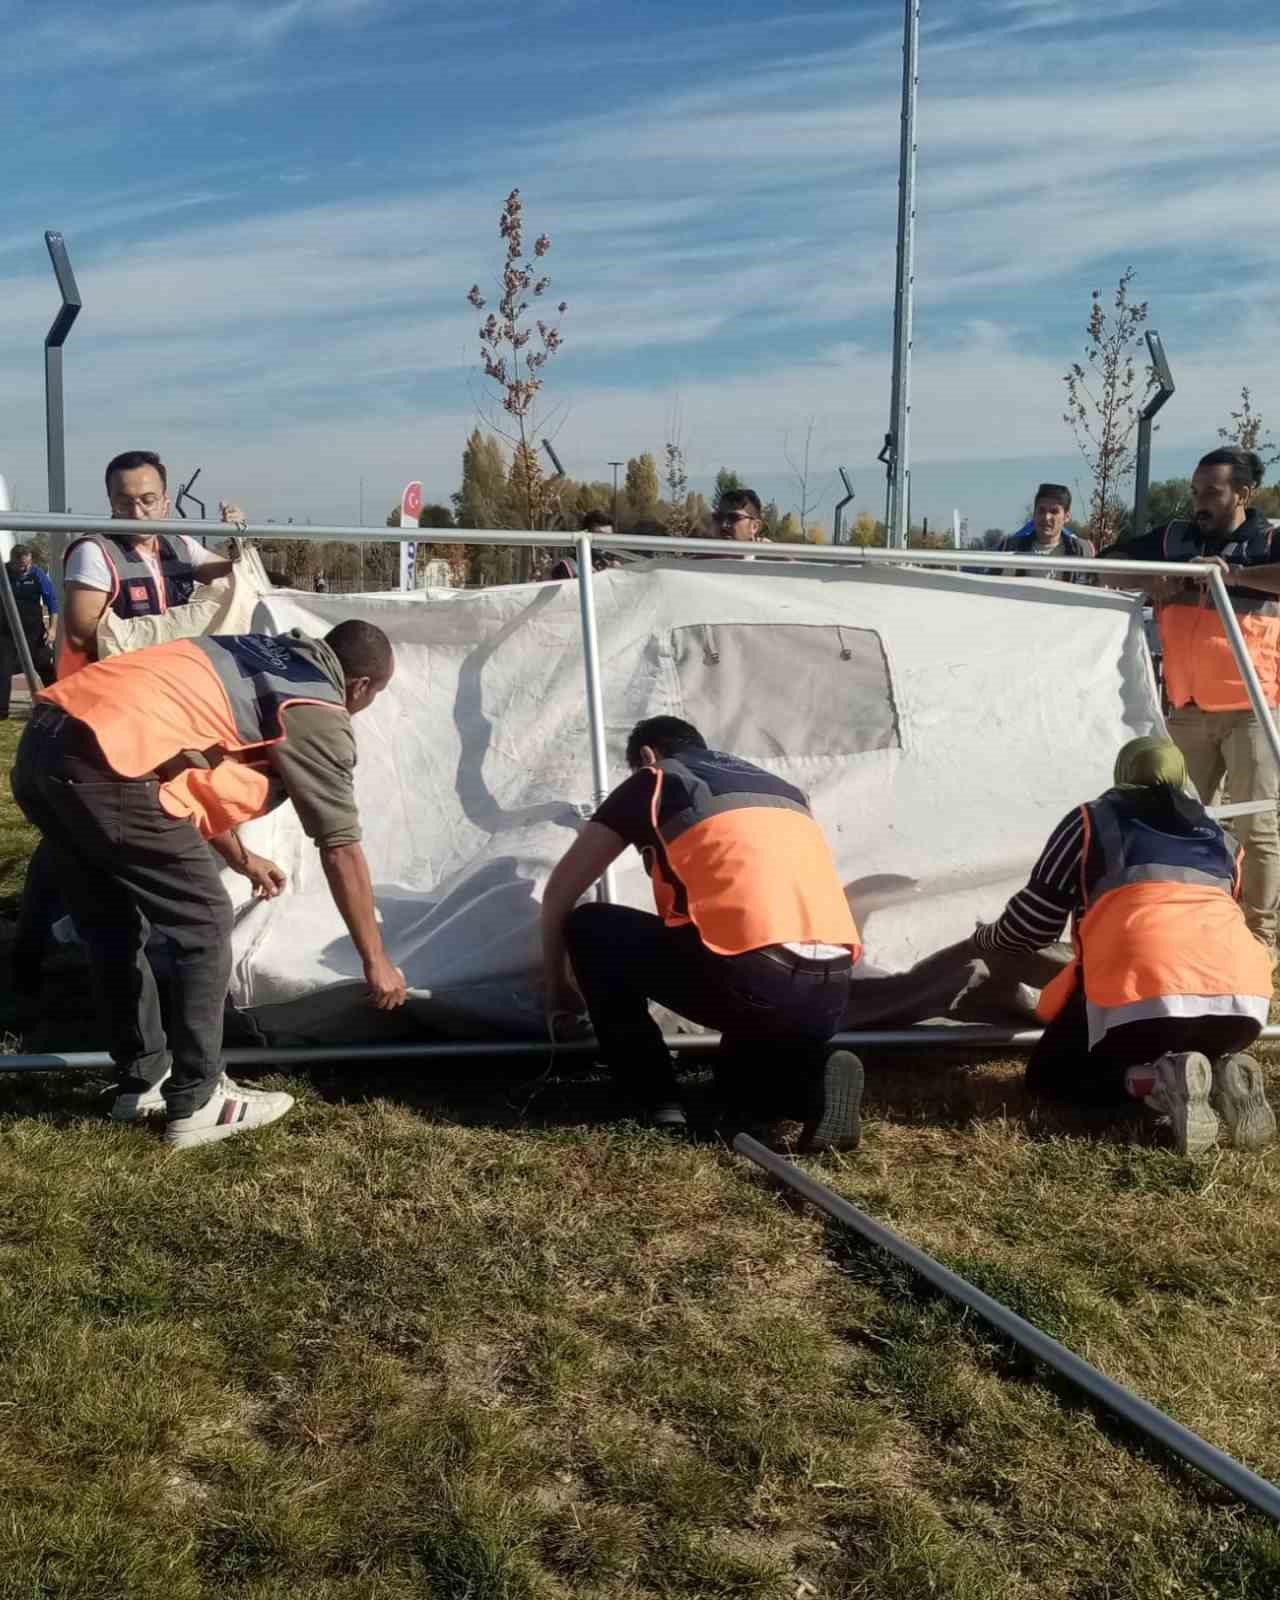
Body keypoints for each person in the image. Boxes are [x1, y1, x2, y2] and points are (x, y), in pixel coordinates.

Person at [10, 621, 407, 1150]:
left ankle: (142, 1079)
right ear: (360, 686)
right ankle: (199, 1099)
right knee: (204, 920)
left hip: (45, 742)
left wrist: (242, 857)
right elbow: (340, 847)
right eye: (375, 695)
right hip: (103, 763)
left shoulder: (255, 654)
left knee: (109, 921)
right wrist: (375, 958)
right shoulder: (314, 708)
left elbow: (180, 766)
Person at [540, 716, 864, 1147]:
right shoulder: (781, 789)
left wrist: (556, 986)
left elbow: (560, 892)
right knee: (735, 1086)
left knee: (591, 925)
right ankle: (816, 1082)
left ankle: (655, 1095)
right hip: (830, 988)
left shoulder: (655, 780)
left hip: (752, 978)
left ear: (646, 756)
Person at [972, 736, 1275, 1156]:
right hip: (1244, 1002)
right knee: (1186, 1044)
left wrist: (985, 938)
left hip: (1142, 992)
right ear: (1183, 778)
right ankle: (1223, 1071)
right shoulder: (1222, 839)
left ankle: (1155, 1082)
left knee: (1052, 1078)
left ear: (1122, 774)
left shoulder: (1090, 821)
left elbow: (1032, 927)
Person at [1102, 447, 1280, 946]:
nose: (1200, 502)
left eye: (1213, 492)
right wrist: (1150, 580)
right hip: (1187, 709)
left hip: (1252, 710)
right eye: (1196, 491)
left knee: (1256, 828)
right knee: (1178, 823)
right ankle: (1194, 924)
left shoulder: (1267, 541)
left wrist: (1232, 575)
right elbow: (1106, 563)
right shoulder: (1172, 537)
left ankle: (1258, 940)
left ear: (1243, 494)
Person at [60, 449, 247, 676]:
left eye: (148, 500)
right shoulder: (93, 552)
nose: (137, 513)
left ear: (165, 504)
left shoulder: (181, 545)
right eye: (124, 503)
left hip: (174, 679)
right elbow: (83, 636)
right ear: (111, 503)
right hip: (115, 684)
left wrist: (237, 537)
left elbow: (239, 578)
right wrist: (169, 640)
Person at [0, 545, 58, 715]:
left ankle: (57, 703)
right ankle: (2, 712)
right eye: (21, 565)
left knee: (45, 666)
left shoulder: (37, 574)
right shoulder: (3, 573)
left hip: (33, 630)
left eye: (28, 564)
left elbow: (52, 603)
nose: (25, 568)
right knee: (3, 669)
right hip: (6, 632)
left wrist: (52, 629)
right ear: (12, 562)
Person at [996, 484, 1095, 581]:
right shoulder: (1010, 548)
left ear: (1067, 517)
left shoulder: (1081, 550)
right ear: (1034, 513)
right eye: (1041, 510)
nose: (1046, 517)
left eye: (1054, 511)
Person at [548, 510, 618, 580]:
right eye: (599, 536)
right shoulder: (567, 567)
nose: (603, 542)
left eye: (608, 537)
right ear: (585, 533)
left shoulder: (609, 565)